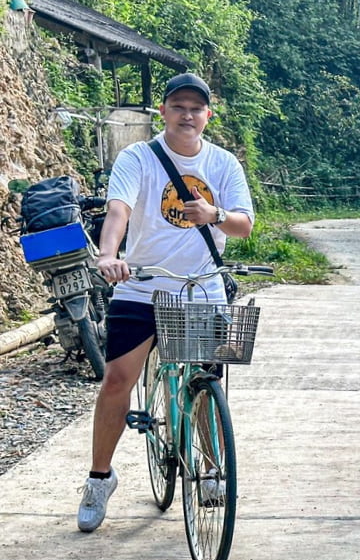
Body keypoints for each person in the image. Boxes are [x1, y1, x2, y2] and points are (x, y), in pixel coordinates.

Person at [77, 73, 256, 532]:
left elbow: (243, 225)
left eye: (196, 108)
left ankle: (212, 468)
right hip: (141, 287)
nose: (187, 115)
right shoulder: (139, 157)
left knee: (204, 383)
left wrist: (214, 214)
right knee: (117, 380)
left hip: (201, 289)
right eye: (178, 106)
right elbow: (119, 209)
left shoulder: (223, 164)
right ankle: (100, 478)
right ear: (164, 112)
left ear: (207, 116)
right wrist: (109, 255)